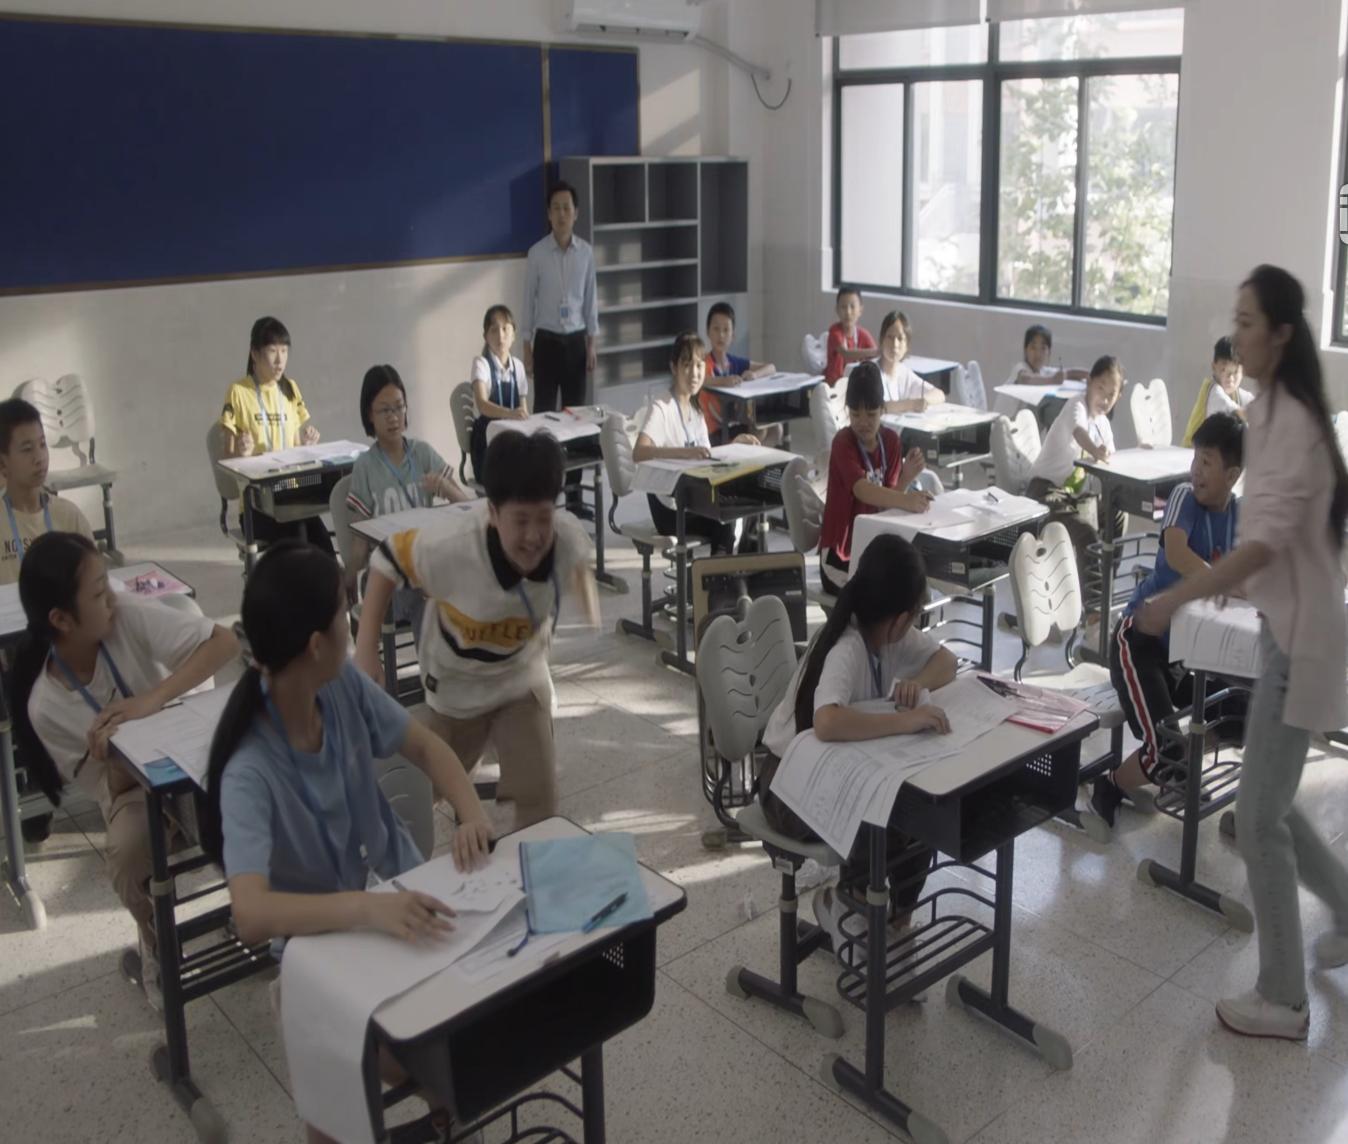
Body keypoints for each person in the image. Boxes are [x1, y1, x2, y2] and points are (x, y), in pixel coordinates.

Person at [198, 540, 491, 1143]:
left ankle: (447, 1104)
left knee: (487, 1015)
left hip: (404, 902)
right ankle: (440, 1098)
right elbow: (250, 914)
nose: (353, 623)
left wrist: (470, 815)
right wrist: (367, 908)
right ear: (315, 644)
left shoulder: (342, 689)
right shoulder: (250, 770)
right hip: (324, 949)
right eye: (343, 613)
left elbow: (427, 746)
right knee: (346, 1085)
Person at [1135, 265, 1348, 1042]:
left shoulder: (1289, 423)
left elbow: (1257, 548)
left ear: (1282, 334)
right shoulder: (1266, 412)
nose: (1239, 332)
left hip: (1303, 642)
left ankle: (1284, 998)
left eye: (1250, 321)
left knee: (1256, 820)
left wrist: (1174, 597)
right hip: (1288, 633)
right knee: (1275, 800)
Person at [9, 532, 240, 1008]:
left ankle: (251, 910)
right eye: (97, 593)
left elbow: (224, 643)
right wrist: (112, 755)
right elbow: (109, 790)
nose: (111, 597)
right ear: (61, 620)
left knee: (248, 797)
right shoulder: (46, 707)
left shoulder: (124, 616)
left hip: (186, 749)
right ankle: (156, 944)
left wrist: (151, 701)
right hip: (131, 785)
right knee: (130, 851)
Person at [354, 431, 599, 829]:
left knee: (540, 800)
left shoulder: (567, 540)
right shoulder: (452, 547)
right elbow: (385, 561)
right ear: (493, 512)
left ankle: (529, 878)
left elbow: (578, 560)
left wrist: (585, 594)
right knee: (414, 800)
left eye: (543, 518)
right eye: (520, 521)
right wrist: (366, 650)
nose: (534, 536)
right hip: (455, 687)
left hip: (520, 679)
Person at [760, 533, 957, 963]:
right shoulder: (847, 646)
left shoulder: (888, 636)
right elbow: (827, 722)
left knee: (921, 812)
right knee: (883, 819)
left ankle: (895, 923)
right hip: (785, 785)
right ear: (901, 617)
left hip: (829, 773)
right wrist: (906, 719)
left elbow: (948, 662)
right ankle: (843, 905)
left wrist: (916, 685)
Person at [1090, 412, 1245, 833]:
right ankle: (1110, 785)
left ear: (1232, 474)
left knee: (1240, 712)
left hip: (1189, 654)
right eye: (1196, 458)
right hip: (1139, 641)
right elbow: (1177, 553)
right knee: (1167, 749)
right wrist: (1224, 582)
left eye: (1207, 462)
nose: (1196, 469)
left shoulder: (1239, 515)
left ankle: (1179, 767)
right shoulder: (1184, 497)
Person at [344, 365, 470, 638]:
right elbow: (359, 539)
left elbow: (467, 509)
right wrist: (349, 576)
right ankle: (434, 677)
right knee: (423, 596)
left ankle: (461, 667)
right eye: (385, 410)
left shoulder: (422, 453)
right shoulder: (365, 466)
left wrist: (447, 489)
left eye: (399, 407)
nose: (394, 417)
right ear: (370, 415)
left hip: (425, 566)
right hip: (384, 580)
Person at [634, 331, 760, 556]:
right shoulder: (661, 407)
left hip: (695, 499)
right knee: (726, 522)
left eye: (700, 366)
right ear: (674, 368)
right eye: (687, 365)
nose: (695, 373)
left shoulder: (695, 410)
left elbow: (705, 456)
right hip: (670, 509)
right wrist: (684, 453)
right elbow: (640, 452)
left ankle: (736, 577)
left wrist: (734, 444)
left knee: (748, 508)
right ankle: (716, 584)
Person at [218, 316, 334, 554]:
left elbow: (293, 449)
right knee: (300, 540)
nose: (280, 360)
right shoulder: (238, 392)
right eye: (272, 351)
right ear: (254, 353)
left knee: (322, 542)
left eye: (284, 351)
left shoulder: (290, 389)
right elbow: (226, 460)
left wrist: (305, 445)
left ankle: (332, 590)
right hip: (257, 506)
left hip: (291, 497)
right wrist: (242, 454)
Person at [816, 361, 933, 595]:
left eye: (870, 414)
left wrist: (906, 478)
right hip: (839, 559)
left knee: (916, 587)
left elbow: (885, 503)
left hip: (872, 551)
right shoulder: (843, 442)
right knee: (885, 598)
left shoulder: (891, 441)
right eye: (855, 414)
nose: (862, 422)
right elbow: (862, 490)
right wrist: (908, 499)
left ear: (883, 410)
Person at [521, 181, 597, 517]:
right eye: (556, 208)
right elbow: (528, 302)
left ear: (576, 213)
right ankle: (542, 490)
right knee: (543, 418)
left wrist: (592, 342)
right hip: (547, 342)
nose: (562, 213)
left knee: (576, 419)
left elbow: (592, 299)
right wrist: (526, 345)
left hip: (577, 341)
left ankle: (575, 495)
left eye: (568, 207)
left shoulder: (586, 252)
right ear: (548, 215)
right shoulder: (537, 253)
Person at [1025, 355, 1126, 594]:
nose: (1104, 398)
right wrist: (1095, 451)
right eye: (1100, 388)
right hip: (1045, 492)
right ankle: (1093, 615)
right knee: (1086, 533)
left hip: (1075, 497)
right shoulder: (1076, 405)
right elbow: (1080, 432)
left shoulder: (1103, 423)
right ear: (1089, 382)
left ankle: (1104, 590)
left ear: (1118, 397)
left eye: (1111, 394)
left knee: (1118, 512)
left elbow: (1112, 458)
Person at [0, 397, 93, 586]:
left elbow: (95, 583)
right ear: (2, 463)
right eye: (27, 449)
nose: (40, 458)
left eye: (42, 445)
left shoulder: (69, 516)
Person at [701, 300, 778, 444]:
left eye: (726, 330)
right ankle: (751, 460)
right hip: (714, 431)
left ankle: (757, 459)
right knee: (760, 430)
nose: (721, 335)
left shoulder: (734, 362)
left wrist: (754, 374)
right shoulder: (704, 363)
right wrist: (723, 381)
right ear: (707, 332)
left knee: (776, 429)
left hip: (734, 424)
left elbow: (771, 367)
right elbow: (700, 380)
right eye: (716, 329)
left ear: (733, 335)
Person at [470, 304, 531, 478]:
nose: (501, 336)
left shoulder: (518, 366)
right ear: (485, 336)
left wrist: (520, 417)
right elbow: (482, 404)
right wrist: (510, 414)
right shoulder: (481, 364)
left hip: (511, 436)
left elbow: (523, 410)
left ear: (514, 334)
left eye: (505, 329)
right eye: (494, 330)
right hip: (487, 441)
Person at [1182, 337, 1253, 445]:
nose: (1230, 378)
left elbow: (1255, 403)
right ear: (1214, 367)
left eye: (1235, 372)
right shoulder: (1212, 391)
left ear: (1243, 372)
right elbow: (1234, 411)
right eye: (1224, 370)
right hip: (1191, 452)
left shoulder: (1238, 394)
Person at [876, 310, 945, 414]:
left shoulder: (903, 372)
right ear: (881, 340)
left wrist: (924, 401)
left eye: (900, 338)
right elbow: (878, 406)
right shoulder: (871, 372)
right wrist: (913, 404)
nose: (895, 344)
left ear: (907, 346)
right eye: (890, 337)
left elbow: (939, 394)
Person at [823, 286, 878, 387]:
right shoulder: (835, 331)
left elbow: (876, 356)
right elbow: (846, 353)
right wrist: (876, 351)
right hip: (834, 387)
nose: (848, 312)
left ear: (860, 310)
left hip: (855, 386)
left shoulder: (863, 334)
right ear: (837, 310)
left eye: (852, 307)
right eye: (843, 307)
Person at [1005, 324, 1088, 386]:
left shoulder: (1043, 371)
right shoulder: (1021, 367)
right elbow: (1025, 379)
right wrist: (1052, 380)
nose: (1038, 353)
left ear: (1049, 353)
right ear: (1025, 350)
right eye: (1033, 347)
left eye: (1043, 348)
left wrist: (1091, 376)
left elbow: (1069, 373)